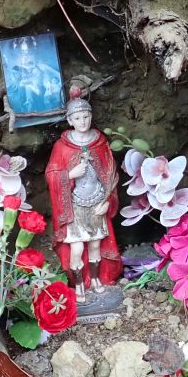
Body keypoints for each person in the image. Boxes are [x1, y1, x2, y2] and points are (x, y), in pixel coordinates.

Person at [45, 97, 123, 302]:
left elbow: (110, 175)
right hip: (75, 206)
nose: (83, 121)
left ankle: (96, 279)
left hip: (97, 202)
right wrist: (69, 175)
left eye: (86, 116)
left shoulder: (100, 143)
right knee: (77, 248)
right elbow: (51, 174)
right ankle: (78, 283)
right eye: (77, 118)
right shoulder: (62, 147)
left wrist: (108, 201)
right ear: (70, 120)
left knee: (96, 245)